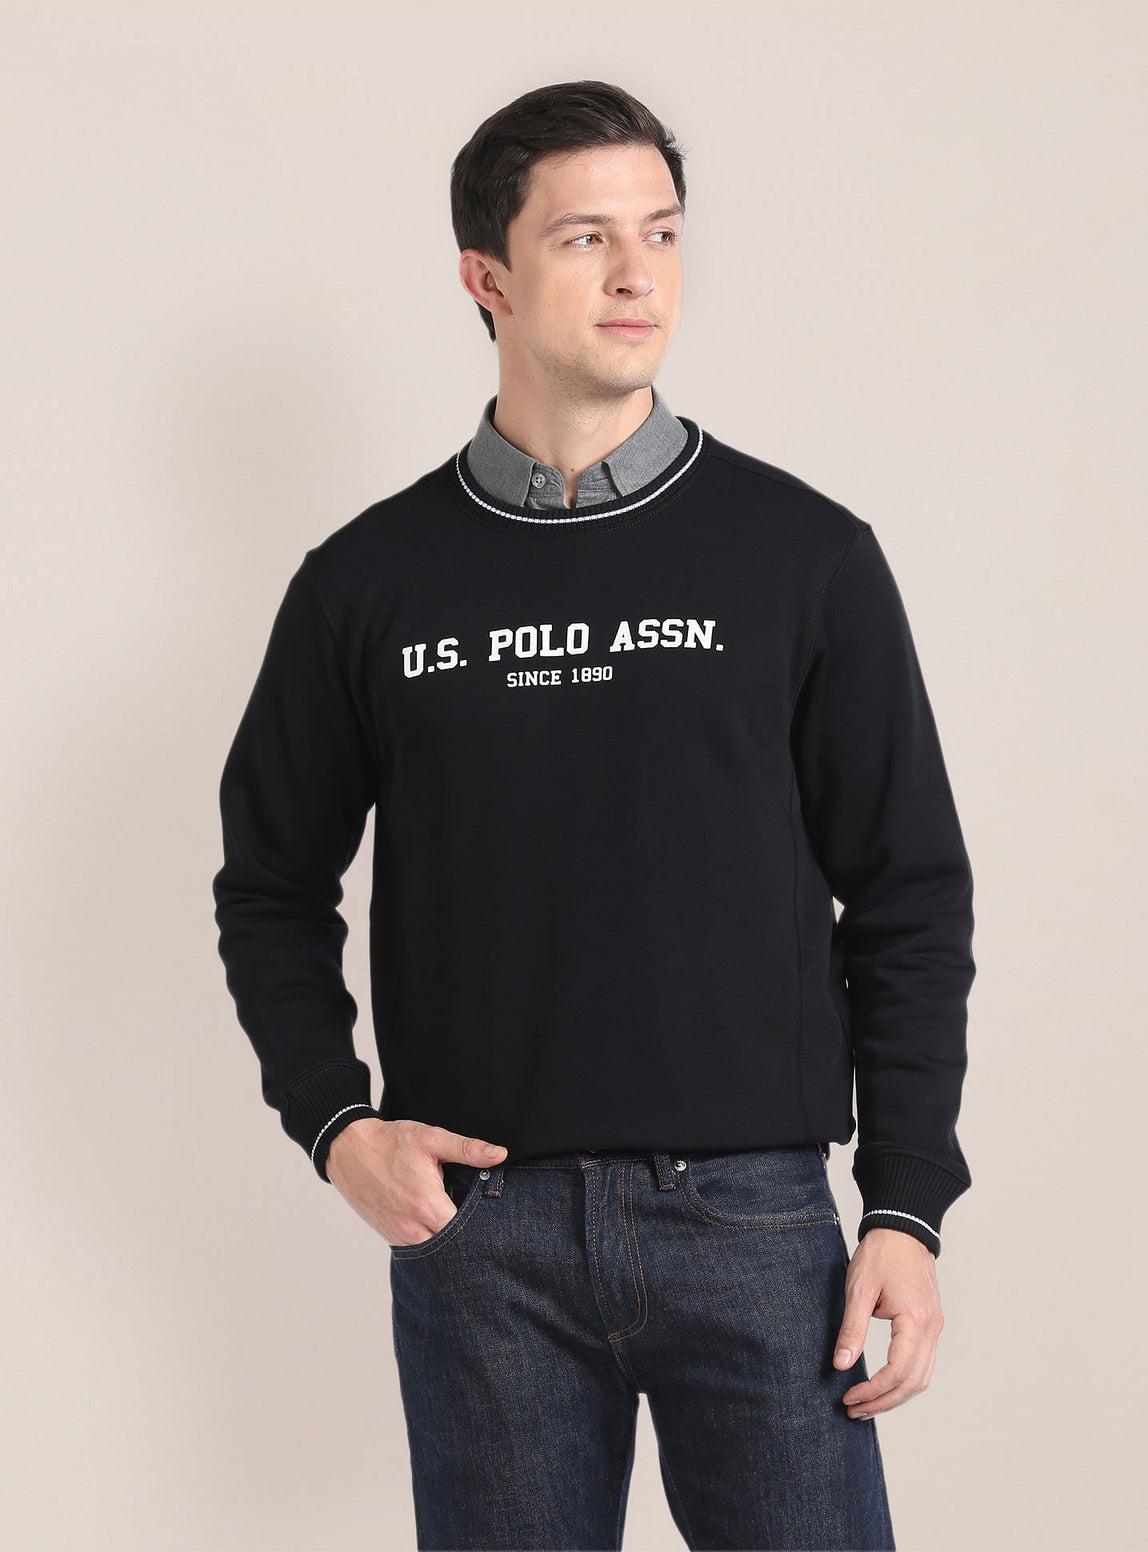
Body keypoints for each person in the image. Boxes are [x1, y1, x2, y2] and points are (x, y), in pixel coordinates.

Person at [212, 79, 975, 1552]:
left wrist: (907, 1202)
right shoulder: (366, 584)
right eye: (585, 238)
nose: (639, 274)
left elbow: (908, 893)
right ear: (486, 278)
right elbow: (270, 886)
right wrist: (335, 1124)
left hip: (756, 1228)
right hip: (481, 1236)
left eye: (662, 233)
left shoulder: (802, 557)